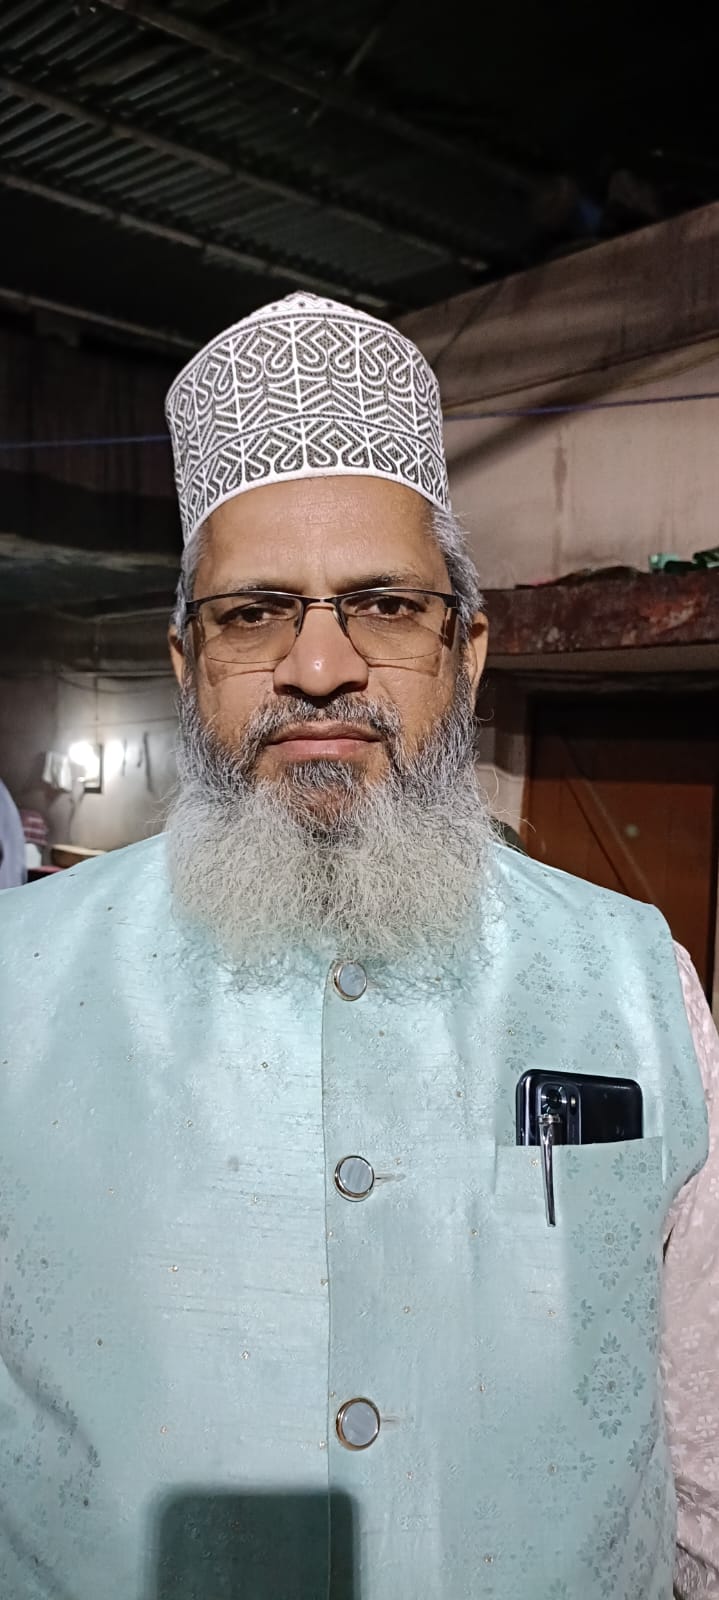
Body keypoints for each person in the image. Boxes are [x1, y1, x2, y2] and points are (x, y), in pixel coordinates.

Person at [0, 292, 717, 1600]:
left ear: (467, 653)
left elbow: (703, 1447)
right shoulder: (15, 983)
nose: (320, 666)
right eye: (254, 613)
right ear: (185, 662)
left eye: (383, 605)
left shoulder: (639, 982)